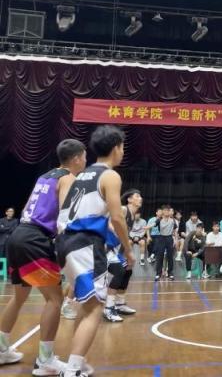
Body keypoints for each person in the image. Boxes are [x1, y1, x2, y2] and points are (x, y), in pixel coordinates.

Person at [0, 139, 86, 373]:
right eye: (84, 157)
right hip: (35, 240)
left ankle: (1, 349)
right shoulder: (68, 178)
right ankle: (45, 361)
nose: (85, 161)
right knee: (55, 300)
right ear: (77, 158)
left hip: (19, 235)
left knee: (19, 297)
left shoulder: (45, 176)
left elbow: (30, 207)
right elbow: (66, 215)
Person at [56, 126, 134, 377]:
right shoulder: (110, 176)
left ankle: (76, 363)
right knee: (95, 309)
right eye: (122, 147)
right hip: (85, 243)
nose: (123, 151)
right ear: (116, 148)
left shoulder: (82, 175)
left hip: (65, 242)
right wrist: (128, 250)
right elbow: (117, 218)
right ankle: (73, 370)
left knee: (87, 306)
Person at [121, 189, 145, 266]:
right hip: (109, 248)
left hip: (119, 248)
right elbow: (109, 225)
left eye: (140, 196)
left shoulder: (132, 216)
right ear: (129, 199)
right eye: (137, 196)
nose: (140, 198)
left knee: (128, 268)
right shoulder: (124, 209)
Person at [154, 206, 177, 281]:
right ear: (163, 211)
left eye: (168, 210)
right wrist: (147, 227)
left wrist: (176, 240)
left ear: (169, 212)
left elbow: (175, 230)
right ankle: (158, 274)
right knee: (160, 256)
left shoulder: (172, 220)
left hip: (169, 238)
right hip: (161, 238)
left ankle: (170, 273)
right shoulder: (159, 219)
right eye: (165, 210)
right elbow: (153, 224)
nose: (167, 212)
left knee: (170, 256)